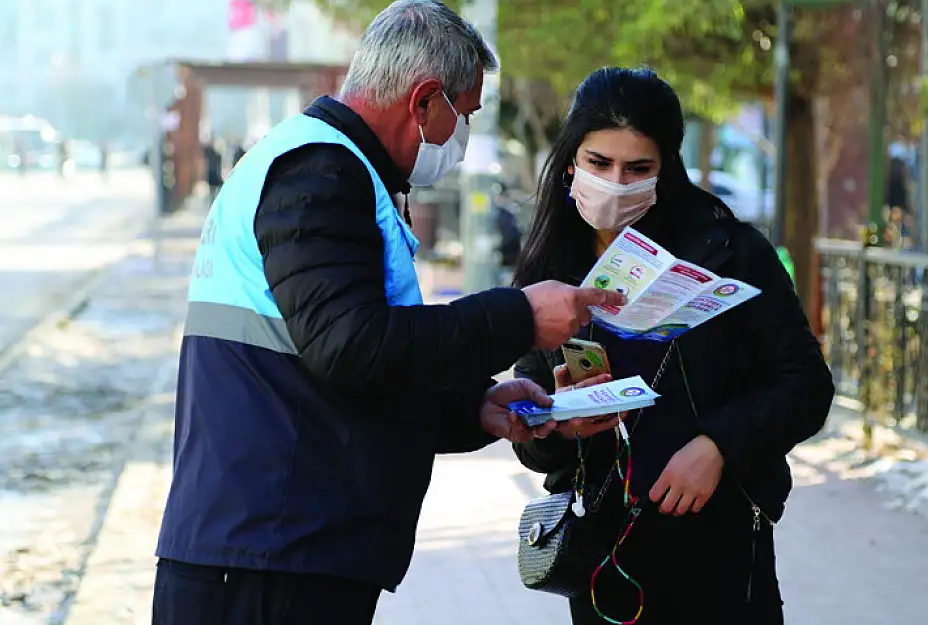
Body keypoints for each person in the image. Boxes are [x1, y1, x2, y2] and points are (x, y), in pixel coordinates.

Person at [151, 2, 623, 624]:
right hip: (266, 556)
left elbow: (358, 367)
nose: (464, 138)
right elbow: (350, 345)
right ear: (425, 101)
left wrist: (473, 409)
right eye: (467, 114)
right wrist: (519, 317)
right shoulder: (320, 171)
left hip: (283, 543)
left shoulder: (335, 169)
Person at [512, 67, 835, 624]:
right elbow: (530, 428)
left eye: (638, 168)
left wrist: (718, 445)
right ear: (571, 160)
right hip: (604, 549)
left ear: (667, 168)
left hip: (720, 543)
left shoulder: (728, 250)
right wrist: (560, 423)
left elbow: (806, 384)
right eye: (599, 163)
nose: (616, 182)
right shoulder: (552, 263)